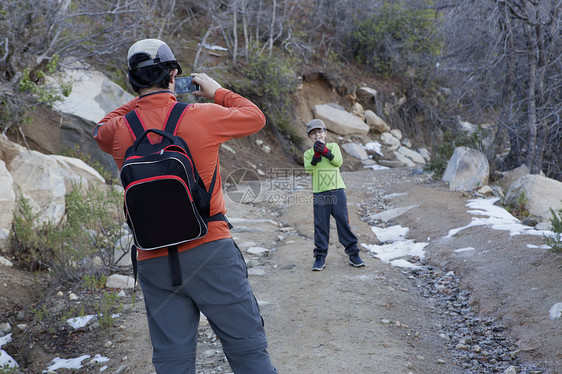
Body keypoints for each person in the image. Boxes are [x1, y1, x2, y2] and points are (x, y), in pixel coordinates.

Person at [93, 38, 277, 374]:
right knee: (247, 352)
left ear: (133, 82)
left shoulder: (120, 130)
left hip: (153, 261)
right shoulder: (201, 115)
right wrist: (217, 91)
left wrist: (140, 102)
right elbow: (255, 117)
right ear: (174, 73)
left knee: (172, 363)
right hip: (210, 250)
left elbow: (100, 130)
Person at [303, 119, 366, 271]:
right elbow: (308, 169)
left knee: (343, 222)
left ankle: (353, 254)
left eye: (319, 132)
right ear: (310, 137)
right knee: (321, 225)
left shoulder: (333, 146)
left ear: (325, 133)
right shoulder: (308, 153)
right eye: (313, 133)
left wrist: (325, 152)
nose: (317, 135)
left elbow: (338, 162)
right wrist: (316, 157)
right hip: (320, 193)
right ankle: (320, 257)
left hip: (337, 190)